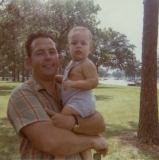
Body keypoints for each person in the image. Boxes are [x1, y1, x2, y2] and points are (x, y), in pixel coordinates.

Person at [7, 30, 108, 160]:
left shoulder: (68, 87)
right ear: (29, 62)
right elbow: (50, 142)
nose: (48, 57)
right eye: (40, 53)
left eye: (52, 52)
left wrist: (71, 122)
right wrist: (93, 140)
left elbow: (99, 124)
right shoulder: (23, 94)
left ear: (58, 58)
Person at [55, 26, 99, 160]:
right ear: (68, 48)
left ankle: (60, 155)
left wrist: (74, 84)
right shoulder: (71, 63)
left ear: (90, 49)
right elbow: (66, 80)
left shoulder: (87, 64)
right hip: (76, 102)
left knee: (62, 119)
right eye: (74, 43)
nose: (78, 46)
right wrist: (54, 78)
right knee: (82, 135)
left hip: (82, 102)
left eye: (83, 43)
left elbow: (93, 81)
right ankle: (87, 156)